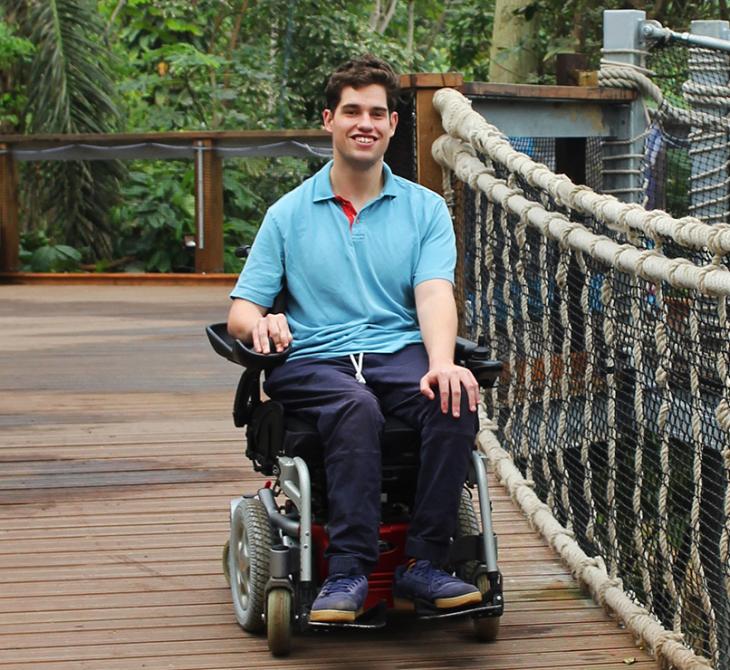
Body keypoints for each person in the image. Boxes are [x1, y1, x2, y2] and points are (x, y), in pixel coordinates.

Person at [227, 54, 482, 624]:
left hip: (398, 354)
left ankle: (424, 563)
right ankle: (348, 571)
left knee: (454, 398)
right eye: (351, 111)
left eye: (376, 113)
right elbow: (242, 310)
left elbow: (435, 293)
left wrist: (442, 363)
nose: (364, 122)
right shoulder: (287, 214)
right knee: (354, 406)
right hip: (315, 360)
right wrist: (261, 322)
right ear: (329, 120)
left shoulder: (425, 209)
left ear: (393, 124)